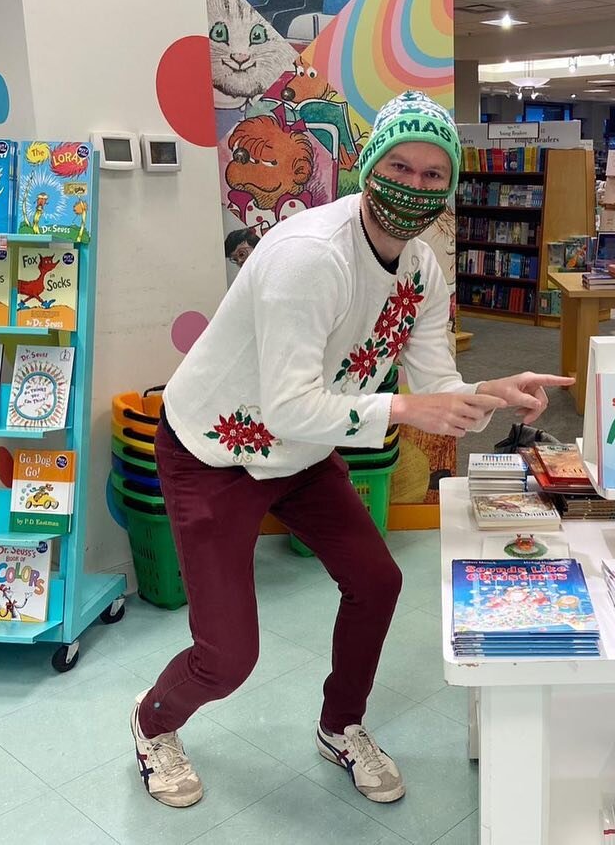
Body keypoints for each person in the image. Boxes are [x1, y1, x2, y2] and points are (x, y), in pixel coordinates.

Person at [129, 90, 572, 809]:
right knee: (228, 655)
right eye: (400, 165)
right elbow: (288, 405)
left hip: (301, 454)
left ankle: (341, 723)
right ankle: (152, 722)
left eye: (435, 175)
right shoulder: (309, 257)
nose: (415, 185)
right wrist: (401, 405)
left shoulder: (423, 267)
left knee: (378, 580)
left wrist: (493, 390)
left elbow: (437, 385)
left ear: (451, 185)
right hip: (214, 451)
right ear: (368, 166)